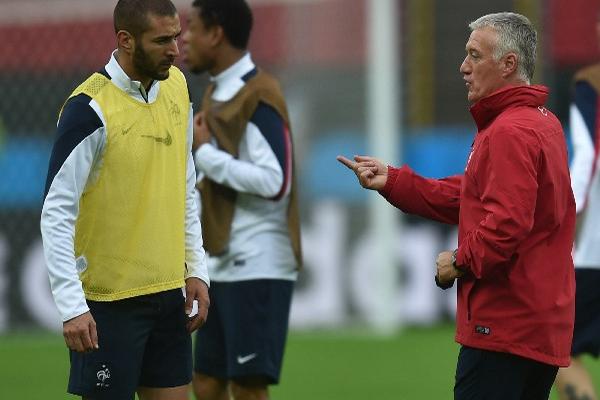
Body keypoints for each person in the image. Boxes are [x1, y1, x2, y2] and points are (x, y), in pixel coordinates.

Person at [338, 12, 575, 400]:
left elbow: (506, 224)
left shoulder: (508, 131)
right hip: (538, 326)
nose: (463, 67)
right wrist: (396, 181)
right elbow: (477, 199)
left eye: (475, 56)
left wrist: (459, 262)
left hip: (504, 326)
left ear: (509, 64)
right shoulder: (541, 122)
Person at [40, 0, 210, 398]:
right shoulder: (89, 109)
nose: (175, 49)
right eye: (163, 40)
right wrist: (72, 305)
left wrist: (197, 267)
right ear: (126, 40)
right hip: (108, 305)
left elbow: (184, 181)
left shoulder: (177, 86)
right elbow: (56, 212)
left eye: (177, 37)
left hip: (169, 296)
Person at [181, 1, 302, 399]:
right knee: (207, 382)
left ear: (216, 34)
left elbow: (275, 181)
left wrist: (206, 156)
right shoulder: (219, 90)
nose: (184, 39)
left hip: (258, 262)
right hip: (222, 262)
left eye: (192, 28)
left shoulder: (259, 92)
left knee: (248, 387)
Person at [554, 13, 600, 400]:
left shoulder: (591, 83)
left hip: (592, 253)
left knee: (559, 351)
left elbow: (586, 159)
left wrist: (561, 223)